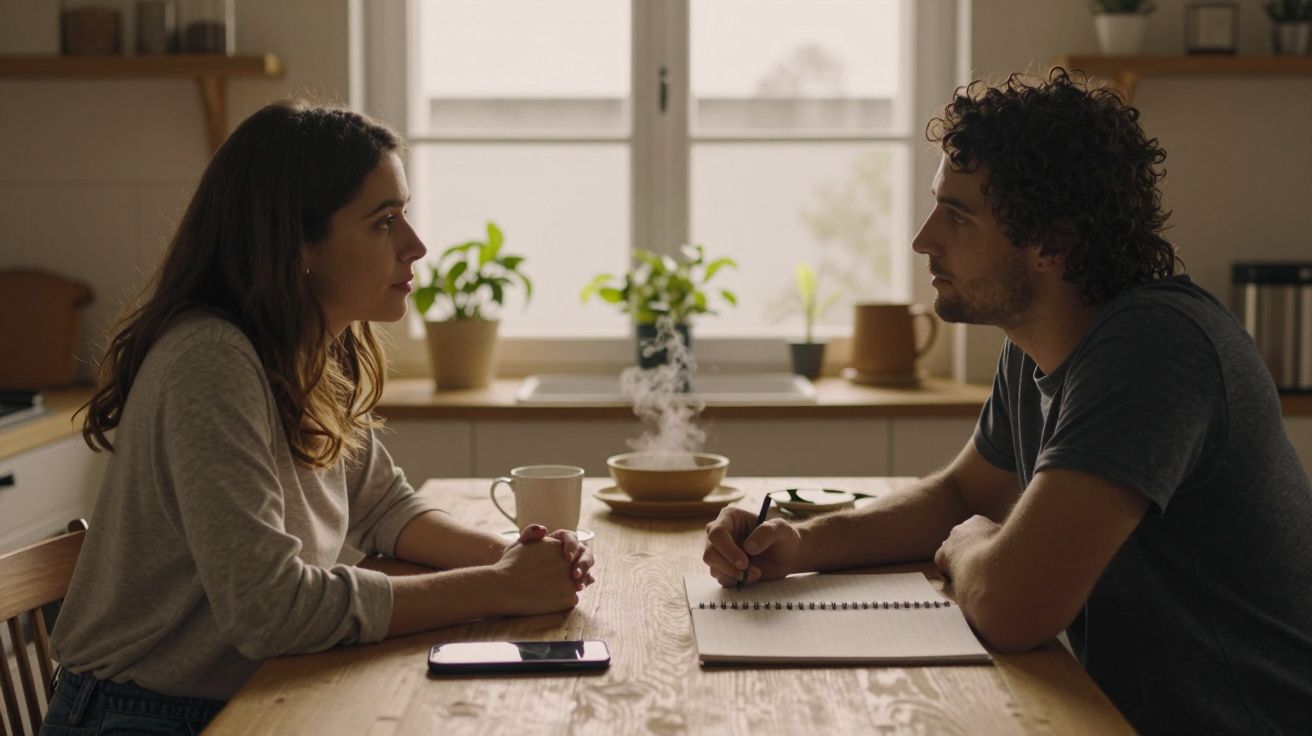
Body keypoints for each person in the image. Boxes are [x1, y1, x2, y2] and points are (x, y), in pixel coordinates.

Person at [703, 69, 1312, 734]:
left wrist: (970, 546)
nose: (923, 239)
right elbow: (960, 495)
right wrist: (798, 543)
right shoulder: (1038, 346)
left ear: (1051, 244)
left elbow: (1010, 605)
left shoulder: (1154, 348)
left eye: (957, 216)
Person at [42, 101, 594, 735]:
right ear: (298, 244)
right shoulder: (212, 363)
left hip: (254, 693)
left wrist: (518, 561)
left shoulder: (301, 348)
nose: (415, 246)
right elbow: (270, 609)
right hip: (144, 717)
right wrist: (498, 588)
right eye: (385, 222)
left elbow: (386, 508)